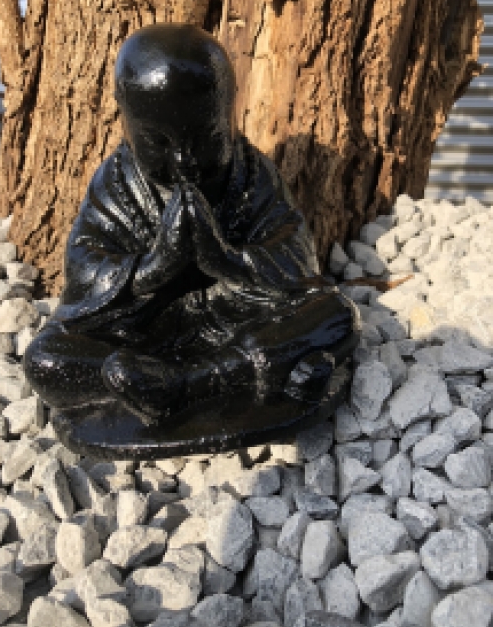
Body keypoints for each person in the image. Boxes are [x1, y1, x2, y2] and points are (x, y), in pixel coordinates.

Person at [23, 23, 359, 428]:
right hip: (146, 333)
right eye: (159, 143)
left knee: (335, 313)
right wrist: (155, 267)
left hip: (236, 321)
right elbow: (83, 269)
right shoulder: (114, 184)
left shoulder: (252, 175)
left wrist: (227, 260)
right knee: (46, 359)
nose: (185, 162)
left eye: (205, 138)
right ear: (125, 118)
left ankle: (187, 385)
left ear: (229, 110)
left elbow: (295, 257)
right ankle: (264, 378)